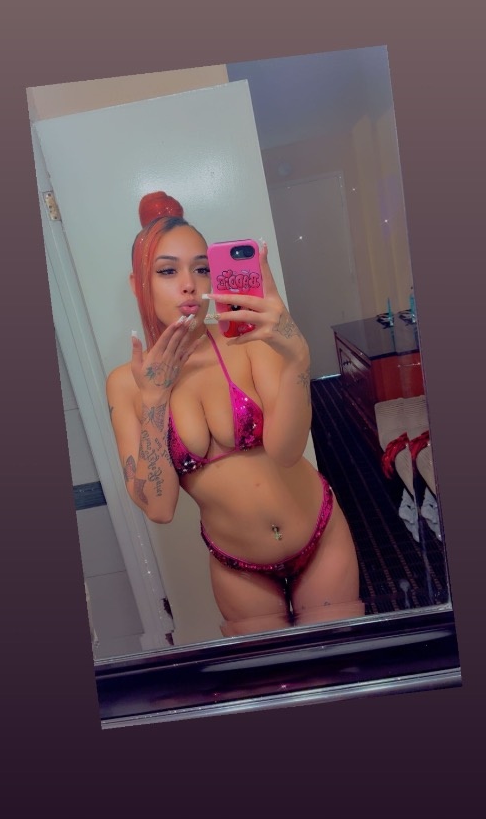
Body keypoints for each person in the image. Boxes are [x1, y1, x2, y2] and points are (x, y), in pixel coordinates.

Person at [106, 191, 363, 637]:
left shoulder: (245, 340)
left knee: (340, 663)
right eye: (167, 271)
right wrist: (155, 402)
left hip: (319, 535)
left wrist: (297, 359)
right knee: (271, 675)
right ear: (137, 284)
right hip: (237, 568)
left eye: (201, 268)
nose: (189, 284)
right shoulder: (126, 384)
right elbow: (160, 508)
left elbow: (287, 451)